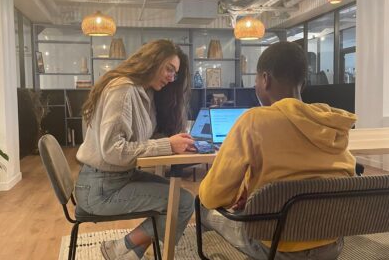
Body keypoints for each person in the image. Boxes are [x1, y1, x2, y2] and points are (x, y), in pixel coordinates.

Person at [199, 41, 356, 259]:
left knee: (201, 207)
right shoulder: (333, 124)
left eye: (255, 79)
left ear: (265, 79)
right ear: (303, 82)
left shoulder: (254, 121)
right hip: (332, 243)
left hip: (277, 246)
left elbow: (212, 195)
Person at [75, 39, 195, 260]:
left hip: (116, 178)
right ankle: (123, 248)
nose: (171, 77)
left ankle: (125, 252)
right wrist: (168, 145)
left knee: (181, 198)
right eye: (169, 69)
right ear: (152, 61)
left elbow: (138, 138)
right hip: (101, 189)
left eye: (175, 73)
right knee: (183, 202)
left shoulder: (144, 93)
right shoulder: (123, 89)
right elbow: (113, 151)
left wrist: (174, 141)